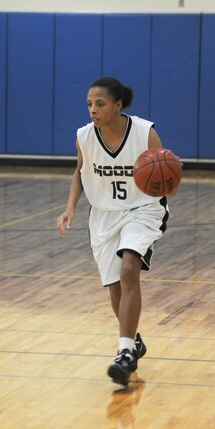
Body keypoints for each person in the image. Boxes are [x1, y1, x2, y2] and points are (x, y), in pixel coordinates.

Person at [56, 77, 170, 387]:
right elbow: (80, 173)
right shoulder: (84, 136)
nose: (93, 109)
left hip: (142, 209)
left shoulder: (145, 133)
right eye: (89, 104)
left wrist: (166, 179)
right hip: (103, 216)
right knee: (115, 287)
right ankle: (133, 340)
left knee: (129, 266)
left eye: (100, 104)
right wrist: (70, 209)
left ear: (118, 105)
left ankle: (124, 353)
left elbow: (164, 173)